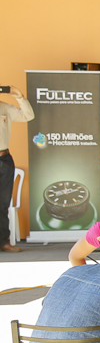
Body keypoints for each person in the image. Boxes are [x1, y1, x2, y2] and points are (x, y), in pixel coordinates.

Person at [0, 84, 34, 252]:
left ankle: (3, 241)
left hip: (3, 158)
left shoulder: (4, 107)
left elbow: (28, 115)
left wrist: (19, 96)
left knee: (3, 202)